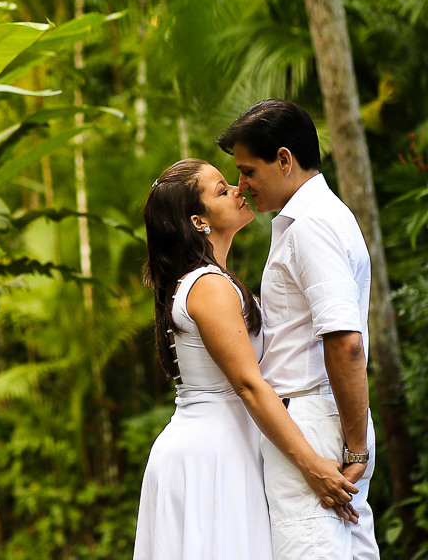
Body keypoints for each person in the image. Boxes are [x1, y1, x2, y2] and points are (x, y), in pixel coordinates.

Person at [134, 158, 357, 560]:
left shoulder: (209, 281)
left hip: (228, 441)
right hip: (214, 453)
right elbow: (249, 385)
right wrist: (312, 464)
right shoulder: (208, 287)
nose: (238, 189)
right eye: (221, 190)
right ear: (198, 221)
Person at [217, 99, 378, 560]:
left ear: (284, 160)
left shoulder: (311, 225)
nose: (242, 185)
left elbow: (345, 342)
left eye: (248, 171)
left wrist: (356, 449)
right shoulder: (313, 218)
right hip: (329, 419)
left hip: (311, 419)